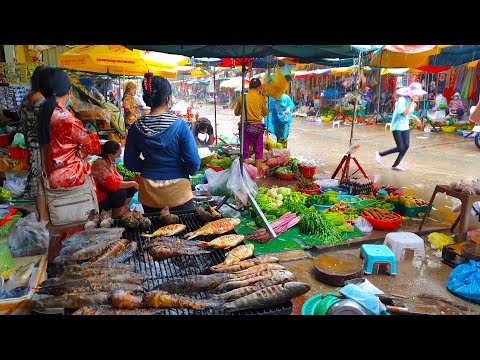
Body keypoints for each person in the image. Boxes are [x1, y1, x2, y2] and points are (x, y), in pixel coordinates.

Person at [124, 75, 200, 213]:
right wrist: (182, 169)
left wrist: (148, 167)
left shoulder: (136, 126)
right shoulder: (180, 125)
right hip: (178, 191)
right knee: (186, 228)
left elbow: (129, 162)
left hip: (149, 191)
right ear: (168, 99)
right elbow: (194, 163)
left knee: (155, 231)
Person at [37, 67, 101, 202]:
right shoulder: (66, 118)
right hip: (70, 178)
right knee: (75, 218)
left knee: (59, 217)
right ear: (68, 90)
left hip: (51, 176)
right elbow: (93, 145)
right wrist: (81, 150)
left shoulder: (44, 112)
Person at [17, 65, 48, 222]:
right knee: (44, 181)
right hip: (43, 148)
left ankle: (42, 215)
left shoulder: (26, 99)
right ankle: (44, 217)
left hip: (31, 145)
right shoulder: (44, 100)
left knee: (37, 182)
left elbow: (22, 126)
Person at [375, 82, 425, 171]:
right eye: (416, 93)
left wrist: (415, 117)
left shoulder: (414, 103)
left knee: (406, 146)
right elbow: (404, 114)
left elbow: (409, 114)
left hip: (405, 126)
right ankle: (380, 154)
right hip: (397, 126)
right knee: (400, 147)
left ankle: (395, 165)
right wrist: (410, 102)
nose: (418, 95)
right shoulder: (402, 100)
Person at [91, 141, 139, 216]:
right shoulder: (99, 165)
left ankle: (123, 209)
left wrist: (132, 181)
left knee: (131, 186)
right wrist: (133, 183)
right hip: (99, 199)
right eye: (118, 155)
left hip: (107, 192)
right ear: (110, 156)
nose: (119, 157)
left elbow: (118, 178)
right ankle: (116, 216)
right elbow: (112, 184)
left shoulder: (110, 163)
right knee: (120, 192)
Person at [234, 78, 269, 172]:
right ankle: (256, 173)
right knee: (258, 150)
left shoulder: (242, 97)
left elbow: (236, 112)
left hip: (244, 127)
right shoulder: (261, 98)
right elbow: (265, 113)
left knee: (245, 150)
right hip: (257, 127)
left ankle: (246, 173)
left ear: (249, 87)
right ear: (258, 87)